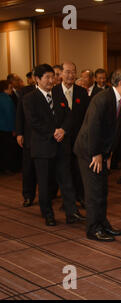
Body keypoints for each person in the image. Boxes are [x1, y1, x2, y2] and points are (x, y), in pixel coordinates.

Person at [74, 69, 121, 241]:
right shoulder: (101, 99)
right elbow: (93, 128)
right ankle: (93, 229)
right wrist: (97, 154)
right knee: (94, 192)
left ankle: (103, 224)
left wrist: (109, 155)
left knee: (102, 190)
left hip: (102, 151)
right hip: (88, 151)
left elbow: (116, 130)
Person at [22, 64, 84, 226]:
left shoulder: (57, 94)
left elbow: (70, 115)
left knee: (66, 181)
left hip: (61, 146)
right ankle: (48, 214)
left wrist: (63, 129)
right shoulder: (30, 98)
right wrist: (53, 132)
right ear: (37, 79)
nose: (51, 80)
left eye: (52, 77)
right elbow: (33, 122)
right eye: (47, 77)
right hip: (43, 148)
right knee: (45, 184)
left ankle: (72, 213)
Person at [52, 62, 89, 208]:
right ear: (60, 74)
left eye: (73, 72)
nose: (70, 75)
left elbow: (86, 116)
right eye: (67, 72)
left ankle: (80, 196)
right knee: (63, 170)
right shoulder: (54, 92)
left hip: (78, 138)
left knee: (78, 170)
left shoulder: (81, 92)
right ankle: (68, 200)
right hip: (60, 139)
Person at [16, 72, 38, 207]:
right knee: (28, 168)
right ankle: (28, 195)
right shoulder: (25, 92)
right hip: (29, 136)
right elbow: (19, 113)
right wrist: (19, 132)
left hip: (46, 138)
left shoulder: (54, 91)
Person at [0, 80, 17, 172]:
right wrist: (14, 129)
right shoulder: (7, 99)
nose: (12, 90)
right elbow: (10, 115)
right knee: (8, 150)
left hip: (1, 129)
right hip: (6, 128)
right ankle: (9, 168)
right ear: (5, 89)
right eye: (10, 88)